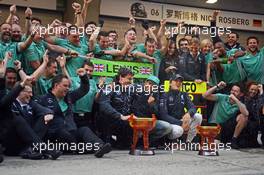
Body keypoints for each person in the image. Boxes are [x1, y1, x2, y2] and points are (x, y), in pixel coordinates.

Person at [37, 69, 111, 157]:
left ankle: (100, 147)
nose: (68, 88)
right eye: (65, 86)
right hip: (56, 135)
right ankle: (83, 148)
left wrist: (83, 77)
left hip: (71, 132)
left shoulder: (69, 97)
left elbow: (84, 89)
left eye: (68, 86)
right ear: (56, 85)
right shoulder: (43, 99)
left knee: (84, 130)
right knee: (63, 133)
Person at [202, 81, 249, 148]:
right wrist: (217, 86)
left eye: (236, 91)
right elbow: (204, 95)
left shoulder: (239, 104)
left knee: (243, 117)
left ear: (241, 94)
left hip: (227, 127)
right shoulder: (222, 97)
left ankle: (234, 139)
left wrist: (236, 100)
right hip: (216, 125)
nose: (232, 92)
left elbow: (246, 114)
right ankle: (219, 140)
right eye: (232, 90)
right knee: (214, 145)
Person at [159, 74, 202, 143]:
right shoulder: (164, 95)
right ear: (170, 83)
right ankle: (169, 142)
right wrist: (180, 123)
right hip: (170, 123)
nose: (178, 83)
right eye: (176, 81)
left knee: (198, 116)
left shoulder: (184, 94)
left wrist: (188, 114)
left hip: (182, 121)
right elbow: (163, 115)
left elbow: (193, 107)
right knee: (179, 130)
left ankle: (189, 141)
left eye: (180, 81)